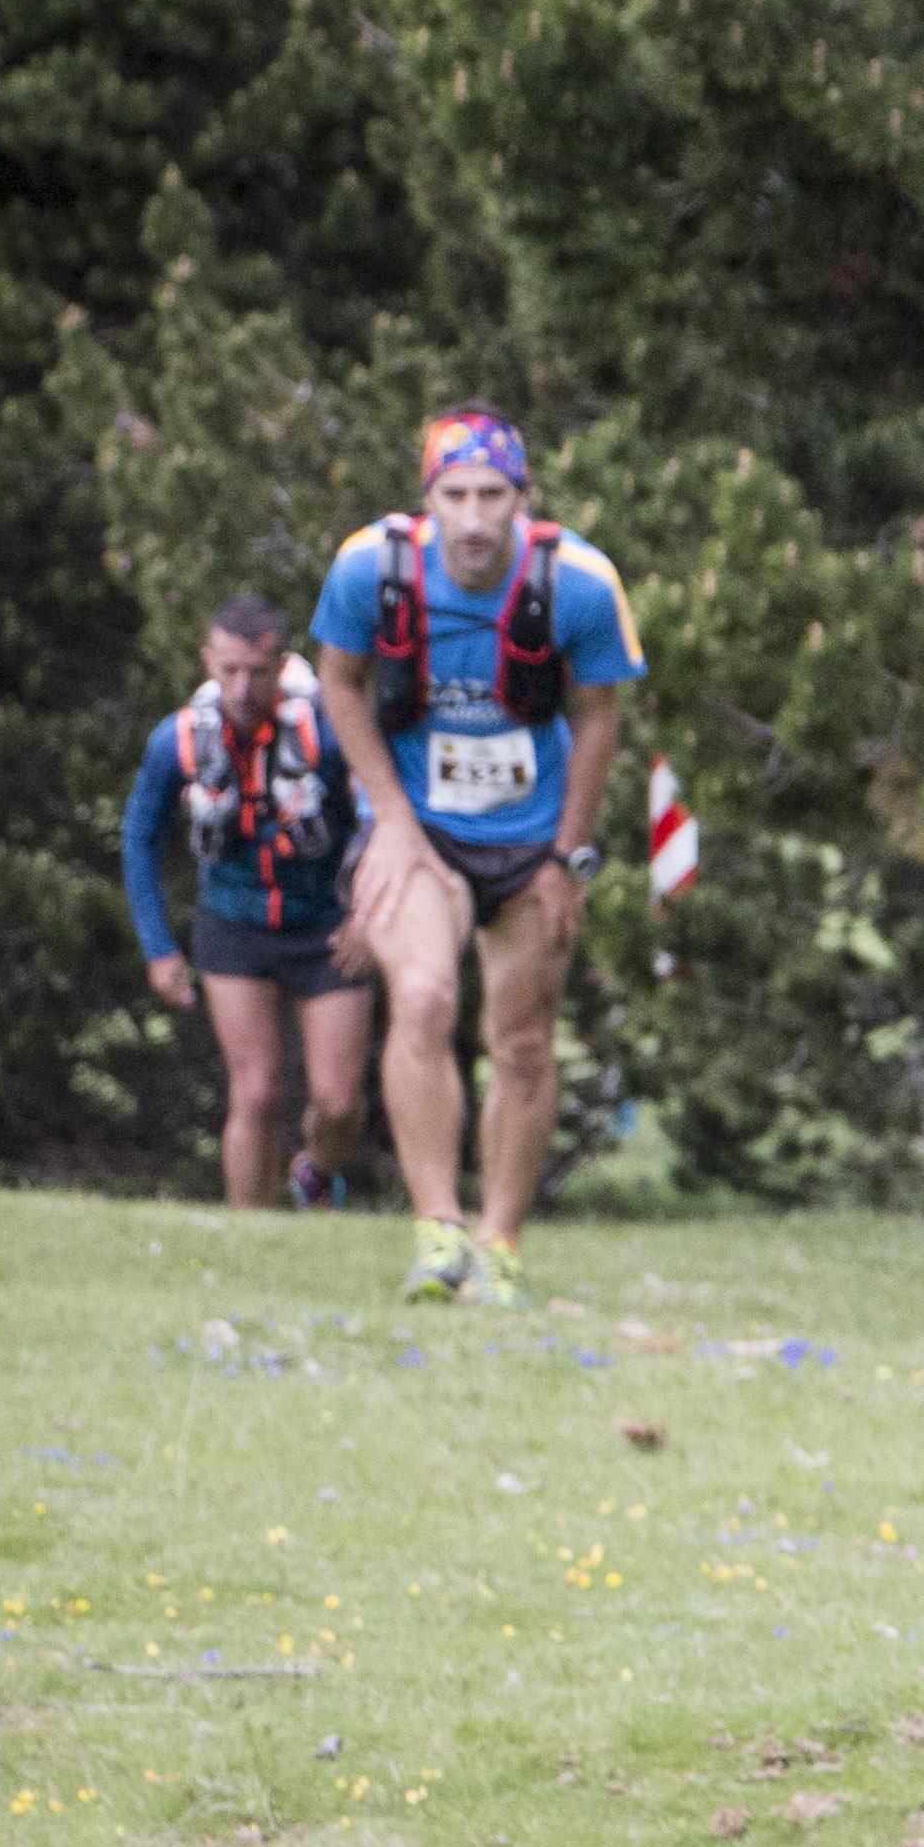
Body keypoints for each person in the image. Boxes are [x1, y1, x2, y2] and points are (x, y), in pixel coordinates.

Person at [313, 406, 640, 1303]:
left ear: (521, 500)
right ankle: (437, 1232)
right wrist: (390, 819)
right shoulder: (369, 570)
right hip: (419, 822)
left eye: (492, 495)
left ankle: (499, 1242)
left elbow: (599, 716)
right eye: (454, 496)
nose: (473, 518)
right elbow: (339, 685)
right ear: (427, 502)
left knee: (523, 1042)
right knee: (421, 995)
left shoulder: (577, 582)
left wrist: (566, 857)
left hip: (532, 831)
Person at [119, 592, 374, 1211]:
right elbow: (138, 836)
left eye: (257, 672)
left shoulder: (330, 730)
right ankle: (247, 1236)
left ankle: (314, 1171)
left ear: (281, 664)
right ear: (207, 660)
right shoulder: (176, 739)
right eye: (228, 669)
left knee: (339, 1103)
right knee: (256, 1093)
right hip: (234, 925)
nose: (241, 686)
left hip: (327, 928)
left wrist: (370, 915)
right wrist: (158, 947)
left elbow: (382, 818)